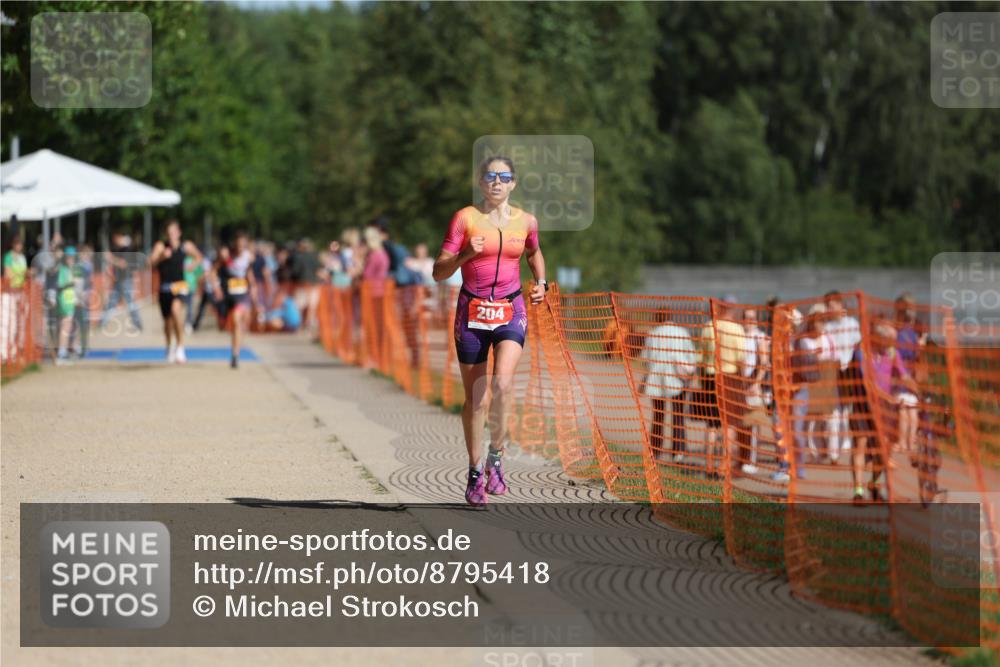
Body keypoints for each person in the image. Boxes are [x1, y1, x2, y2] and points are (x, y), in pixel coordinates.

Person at [432, 156, 547, 506]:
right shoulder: (464, 219)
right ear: (481, 182)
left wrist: (541, 282)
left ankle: (497, 456)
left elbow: (534, 252)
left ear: (513, 183)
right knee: (477, 399)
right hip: (472, 310)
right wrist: (466, 254)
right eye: (490, 176)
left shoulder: (526, 221)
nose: (497, 182)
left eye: (504, 177)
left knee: (503, 383)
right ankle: (475, 469)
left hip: (511, 308)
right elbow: (438, 272)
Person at [696, 298, 747, 480]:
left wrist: (703, 380)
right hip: (730, 377)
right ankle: (723, 466)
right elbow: (742, 360)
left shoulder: (708, 327)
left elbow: (701, 358)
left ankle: (709, 465)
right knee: (729, 424)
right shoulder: (737, 329)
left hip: (710, 377)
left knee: (711, 424)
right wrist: (743, 381)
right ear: (732, 309)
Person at [639, 311, 698, 463]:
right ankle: (678, 452)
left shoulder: (653, 334)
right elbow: (692, 357)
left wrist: (644, 381)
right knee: (678, 417)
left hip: (655, 381)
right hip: (677, 381)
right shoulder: (682, 332)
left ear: (657, 318)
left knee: (658, 416)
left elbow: (646, 360)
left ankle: (655, 451)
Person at [149, 220, 202, 364]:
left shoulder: (186, 246)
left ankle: (180, 347)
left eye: (174, 232)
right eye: (169, 233)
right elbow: (150, 263)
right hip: (165, 288)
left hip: (180, 286)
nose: (171, 235)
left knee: (176, 310)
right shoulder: (161, 246)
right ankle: (169, 346)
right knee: (167, 322)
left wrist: (192, 266)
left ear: (179, 233)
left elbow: (199, 256)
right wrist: (161, 257)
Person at [823, 291, 862, 457]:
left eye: (832, 305)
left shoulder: (851, 323)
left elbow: (857, 344)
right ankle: (834, 445)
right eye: (828, 306)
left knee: (848, 405)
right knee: (836, 406)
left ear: (840, 305)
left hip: (849, 369)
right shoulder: (828, 327)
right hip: (833, 369)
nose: (830, 309)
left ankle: (846, 438)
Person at [213, 231, 257, 369]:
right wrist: (216, 288)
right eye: (238, 245)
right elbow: (213, 271)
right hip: (227, 294)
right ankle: (235, 345)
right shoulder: (226, 256)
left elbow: (250, 275)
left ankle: (235, 355)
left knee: (237, 321)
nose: (239, 248)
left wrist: (253, 290)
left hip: (241, 295)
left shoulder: (247, 257)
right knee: (225, 326)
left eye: (242, 246)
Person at [894, 292, 921, 461]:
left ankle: (903, 442)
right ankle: (911, 442)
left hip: (901, 375)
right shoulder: (913, 334)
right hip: (910, 374)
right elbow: (917, 354)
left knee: (904, 409)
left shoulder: (898, 333)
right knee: (912, 410)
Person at [98, 230, 143, 332]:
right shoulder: (119, 249)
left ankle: (137, 324)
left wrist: (110, 258)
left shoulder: (127, 250)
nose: (114, 240)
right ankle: (102, 323)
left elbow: (123, 264)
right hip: (119, 281)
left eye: (116, 238)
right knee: (111, 302)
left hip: (126, 280)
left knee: (130, 303)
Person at [360, 225, 390, 369]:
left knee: (374, 327)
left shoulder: (374, 255)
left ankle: (375, 358)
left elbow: (367, 275)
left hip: (373, 293)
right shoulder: (382, 254)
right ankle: (378, 357)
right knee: (377, 327)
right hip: (379, 292)